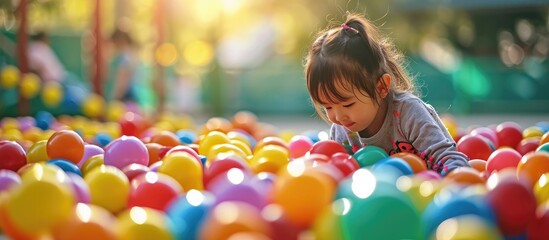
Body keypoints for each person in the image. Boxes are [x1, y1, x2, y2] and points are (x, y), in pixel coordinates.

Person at [304, 13, 470, 176]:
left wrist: (453, 182)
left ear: (381, 87)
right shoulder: (342, 131)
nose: (339, 117)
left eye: (347, 104)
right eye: (328, 106)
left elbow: (448, 158)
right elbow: (341, 174)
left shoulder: (409, 113)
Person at [104, 28, 141, 110]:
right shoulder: (132, 54)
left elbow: (122, 79)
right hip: (131, 94)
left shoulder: (124, 57)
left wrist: (116, 97)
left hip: (126, 95)